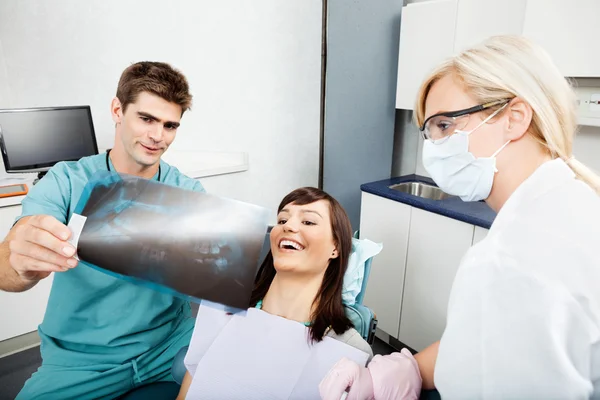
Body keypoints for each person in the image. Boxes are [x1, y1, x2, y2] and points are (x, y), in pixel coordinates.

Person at [319, 34, 600, 399]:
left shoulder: (511, 260)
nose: (432, 148)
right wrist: (411, 368)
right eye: (429, 131)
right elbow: (492, 337)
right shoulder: (573, 204)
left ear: (514, 118)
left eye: (444, 126)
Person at [0, 61, 205, 399]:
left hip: (168, 343)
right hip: (83, 360)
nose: (158, 136)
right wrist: (20, 261)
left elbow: (213, 277)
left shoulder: (188, 191)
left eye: (170, 125)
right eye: (147, 119)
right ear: (117, 110)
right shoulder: (66, 180)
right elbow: (8, 266)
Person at [177, 187, 373, 399]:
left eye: (308, 222)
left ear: (335, 247)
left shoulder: (348, 350)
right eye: (282, 220)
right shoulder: (224, 311)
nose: (288, 226)